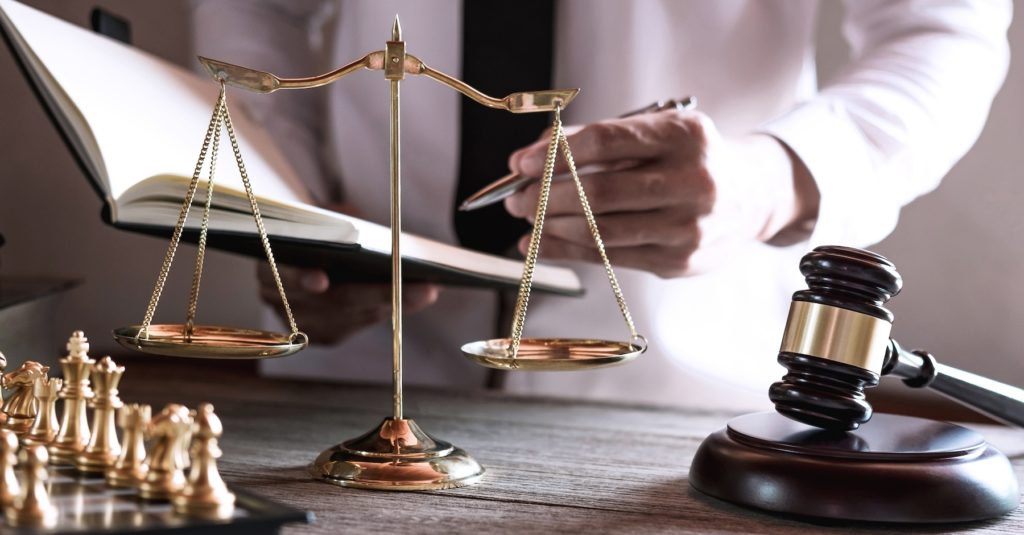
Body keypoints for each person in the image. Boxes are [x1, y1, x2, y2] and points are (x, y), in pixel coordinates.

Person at [192, 0, 1011, 410]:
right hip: (354, 376)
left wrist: (767, 185)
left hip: (672, 401)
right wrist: (289, 204)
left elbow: (940, 30)